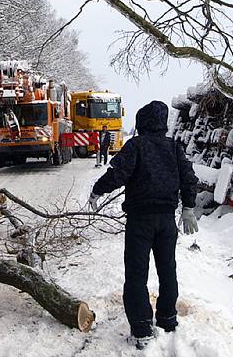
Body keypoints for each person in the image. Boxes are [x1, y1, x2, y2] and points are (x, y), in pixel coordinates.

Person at [87, 101, 199, 349]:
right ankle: (167, 319)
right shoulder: (174, 147)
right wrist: (188, 207)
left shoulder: (136, 145)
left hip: (140, 221)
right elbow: (189, 179)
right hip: (167, 221)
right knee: (167, 270)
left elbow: (118, 174)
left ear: (141, 123)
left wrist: (97, 191)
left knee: (137, 274)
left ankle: (141, 328)